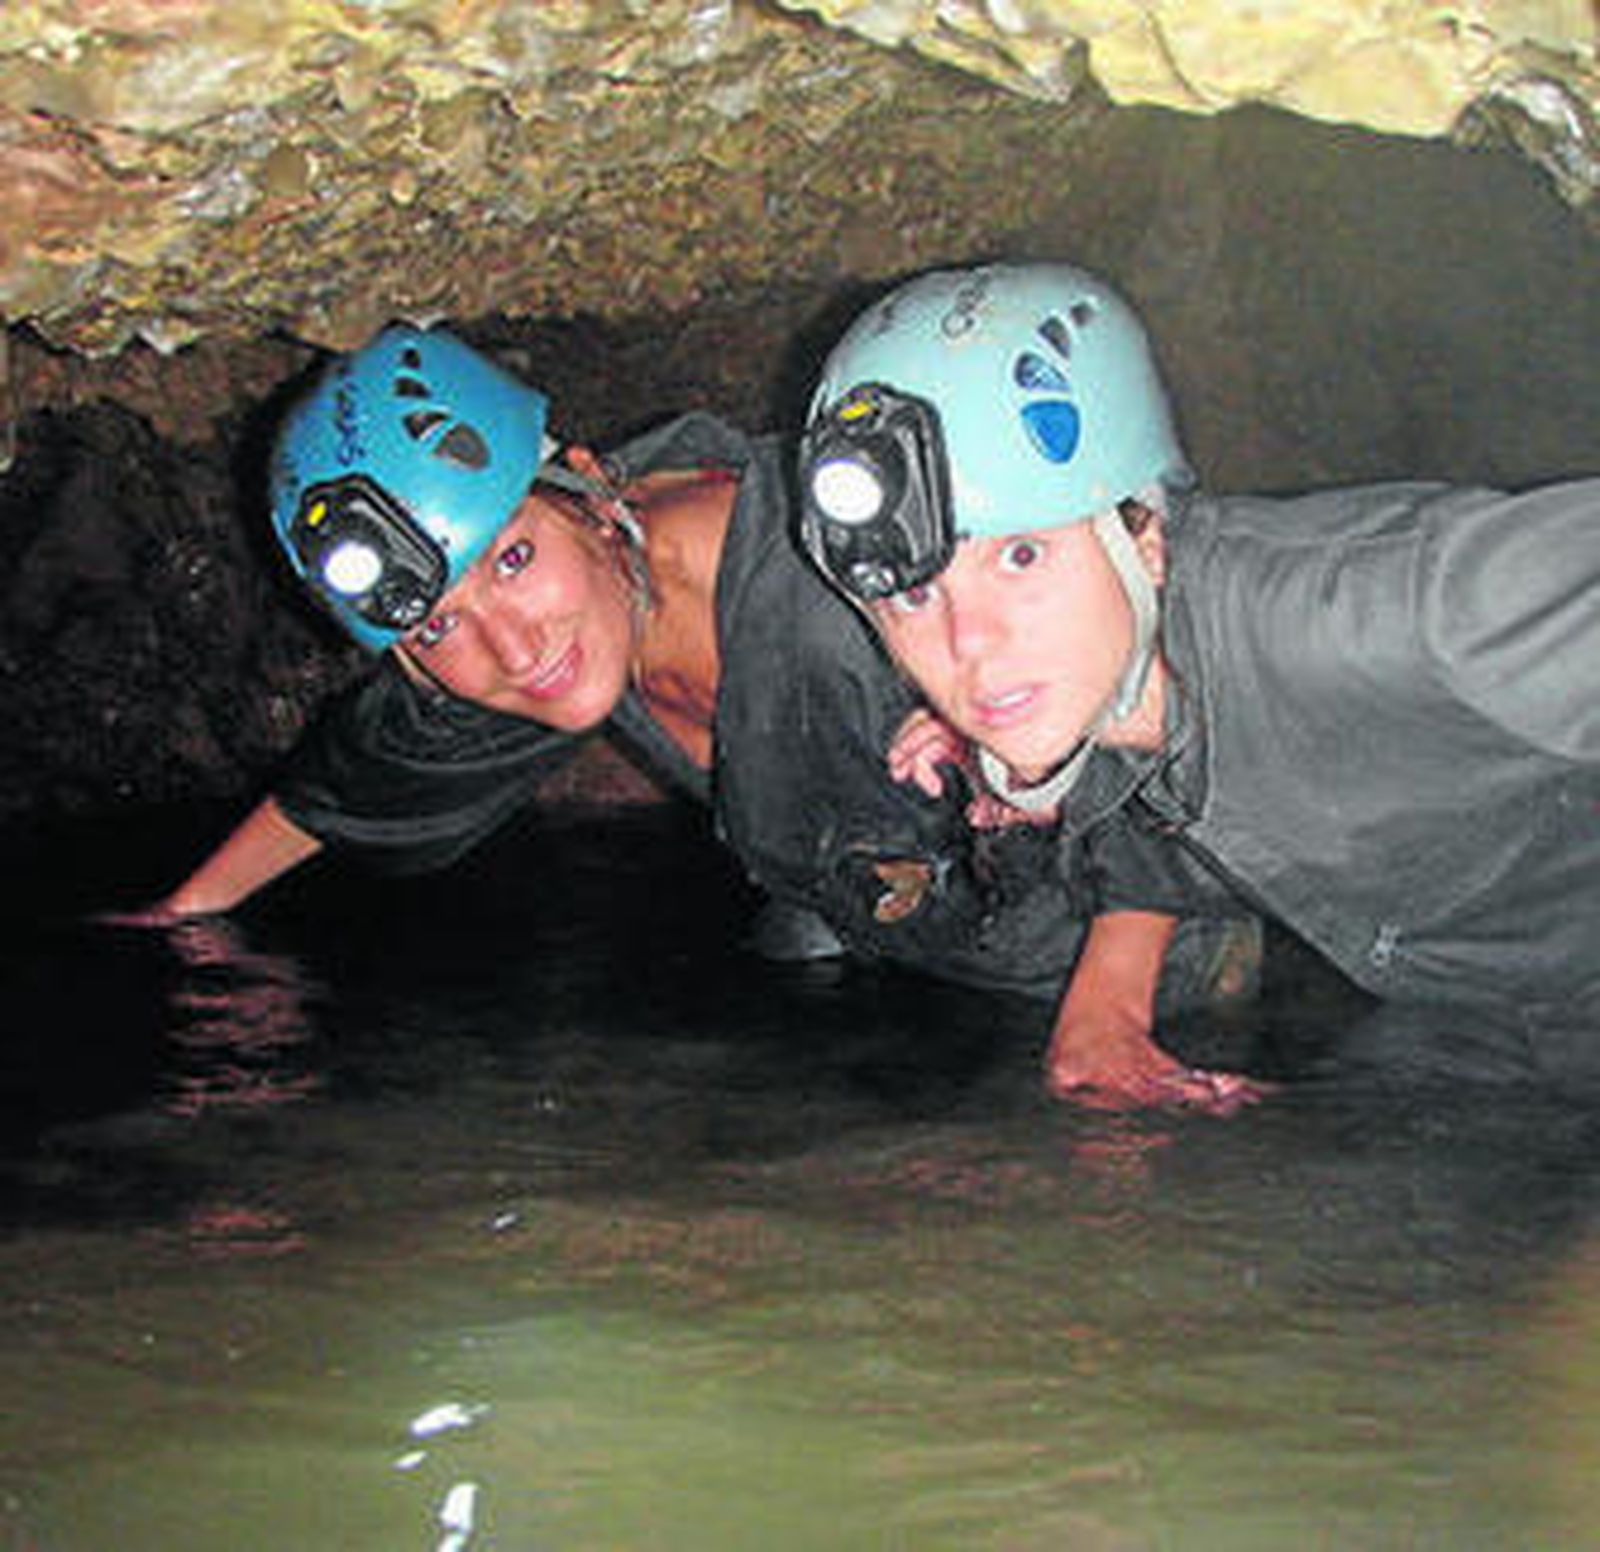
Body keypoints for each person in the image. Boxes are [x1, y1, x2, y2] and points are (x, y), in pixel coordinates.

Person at [135, 322, 1263, 1111]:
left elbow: (1154, 692)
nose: (509, 644)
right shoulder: (570, 631)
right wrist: (182, 918)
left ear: (583, 484)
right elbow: (369, 765)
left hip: (1156, 969)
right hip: (925, 970)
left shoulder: (843, 565)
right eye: (435, 628)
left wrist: (1110, 1012)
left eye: (512, 558)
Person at [796, 261, 1599, 1069]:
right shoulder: (1125, 715)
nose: (970, 643)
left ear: (1143, 536)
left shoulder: (1399, 610)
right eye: (912, 599)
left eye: (1023, 555)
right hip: (1482, 1015)